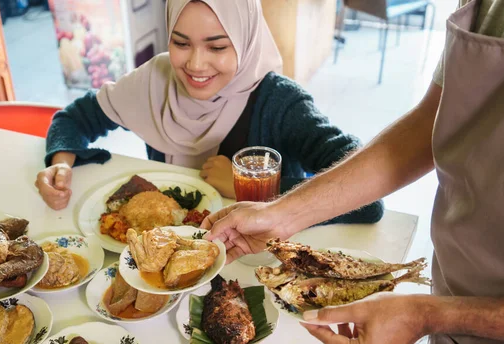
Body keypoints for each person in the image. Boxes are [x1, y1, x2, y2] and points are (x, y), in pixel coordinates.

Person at [203, 0, 504, 344]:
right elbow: (429, 124)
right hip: (462, 334)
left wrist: (428, 314)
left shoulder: (279, 101)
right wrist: (281, 215)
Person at [34, 0, 383, 225]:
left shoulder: (279, 102)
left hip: (254, 267)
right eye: (180, 43)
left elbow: (368, 198)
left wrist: (250, 189)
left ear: (246, 42)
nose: (195, 64)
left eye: (217, 46)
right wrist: (61, 163)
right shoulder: (156, 80)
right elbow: (74, 119)